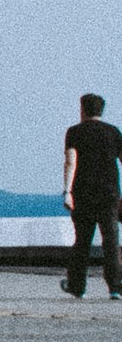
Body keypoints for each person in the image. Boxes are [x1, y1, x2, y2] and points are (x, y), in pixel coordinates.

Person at [64, 93, 122, 297]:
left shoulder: (74, 132)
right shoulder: (114, 132)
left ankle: (78, 287)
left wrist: (67, 191)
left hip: (84, 194)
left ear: (82, 109)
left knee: (82, 241)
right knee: (111, 241)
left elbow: (71, 162)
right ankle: (115, 287)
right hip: (109, 194)